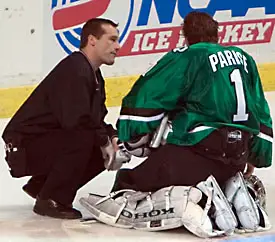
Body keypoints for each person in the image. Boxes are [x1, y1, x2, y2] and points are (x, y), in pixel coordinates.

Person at [111, 11, 273, 193]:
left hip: (197, 155)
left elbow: (147, 95)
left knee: (128, 183)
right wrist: (255, 156)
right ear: (216, 35)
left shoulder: (188, 55)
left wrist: (128, 134)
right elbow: (261, 110)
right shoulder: (245, 59)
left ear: (186, 37)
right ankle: (225, 192)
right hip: (237, 158)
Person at [2, 18, 121, 219]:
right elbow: (76, 122)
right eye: (112, 40)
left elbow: (96, 119)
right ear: (92, 40)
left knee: (100, 141)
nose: (118, 47)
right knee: (84, 137)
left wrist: (114, 139)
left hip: (43, 141)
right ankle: (52, 199)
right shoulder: (74, 70)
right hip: (23, 148)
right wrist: (104, 141)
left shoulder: (92, 74)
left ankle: (42, 186)